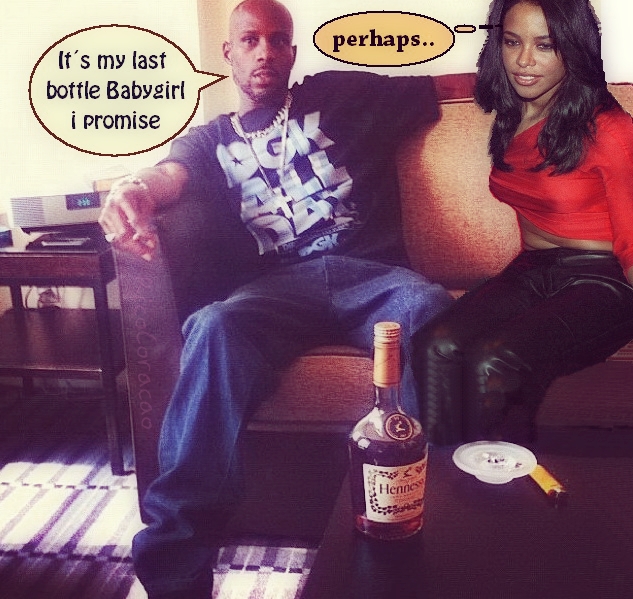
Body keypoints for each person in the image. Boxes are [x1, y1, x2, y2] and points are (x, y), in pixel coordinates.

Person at [99, 0, 455, 596]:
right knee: (214, 325)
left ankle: (438, 529)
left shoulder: (341, 94)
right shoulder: (210, 139)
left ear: (292, 50)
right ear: (228, 54)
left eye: (277, 39)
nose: (264, 51)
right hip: (276, 290)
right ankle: (175, 567)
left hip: (374, 277)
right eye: (250, 39)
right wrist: (131, 188)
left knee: (428, 309)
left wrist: (533, 78)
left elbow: (443, 87)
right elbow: (166, 176)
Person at [412, 0, 633, 448]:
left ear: (574, 48)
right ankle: (448, 469)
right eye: (512, 42)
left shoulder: (613, 131)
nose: (524, 61)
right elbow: (467, 83)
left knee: (497, 360)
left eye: (545, 46)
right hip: (533, 269)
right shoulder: (513, 109)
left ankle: (501, 480)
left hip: (606, 281)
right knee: (434, 345)